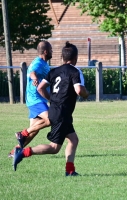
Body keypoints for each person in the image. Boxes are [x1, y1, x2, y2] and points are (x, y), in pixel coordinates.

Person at [13, 41, 89, 176]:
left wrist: (52, 100)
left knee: (73, 139)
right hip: (62, 114)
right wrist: (86, 93)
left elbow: (40, 88)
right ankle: (23, 152)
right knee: (54, 148)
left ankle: (70, 171)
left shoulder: (54, 71)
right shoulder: (75, 71)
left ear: (62, 57)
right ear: (75, 58)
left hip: (56, 111)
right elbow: (79, 90)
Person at [8, 41, 53, 157]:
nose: (52, 51)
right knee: (49, 119)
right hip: (36, 99)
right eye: (51, 50)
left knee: (34, 131)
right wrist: (34, 79)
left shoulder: (43, 63)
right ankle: (22, 133)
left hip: (37, 99)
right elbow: (32, 72)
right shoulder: (38, 63)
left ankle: (14, 152)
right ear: (46, 51)